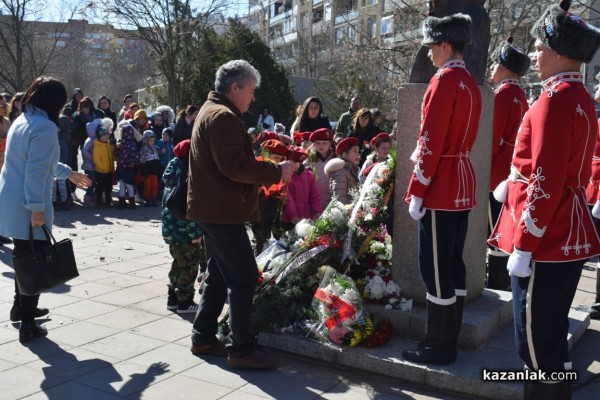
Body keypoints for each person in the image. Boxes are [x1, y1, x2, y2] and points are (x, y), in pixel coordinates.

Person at [489, 4, 600, 398]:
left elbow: (547, 180)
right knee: (551, 335)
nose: (533, 55)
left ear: (558, 50)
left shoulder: (555, 99)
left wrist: (525, 244)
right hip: (567, 225)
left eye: (539, 47)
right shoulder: (578, 94)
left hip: (547, 236)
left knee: (534, 341)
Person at [188, 59, 292, 368]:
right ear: (235, 88)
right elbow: (233, 166)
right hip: (221, 211)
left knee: (220, 274)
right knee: (245, 277)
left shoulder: (216, 112)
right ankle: (242, 349)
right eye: (251, 90)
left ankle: (203, 337)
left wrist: (259, 145)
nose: (254, 97)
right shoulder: (221, 116)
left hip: (216, 208)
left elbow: (229, 155)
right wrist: (277, 171)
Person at [402, 12, 482, 366]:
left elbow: (430, 139)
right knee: (453, 264)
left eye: (433, 47)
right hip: (461, 178)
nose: (429, 54)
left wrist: (418, 188)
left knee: (435, 268)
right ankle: (449, 337)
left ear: (446, 44)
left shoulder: (444, 80)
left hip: (441, 184)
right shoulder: (469, 81)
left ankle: (437, 346)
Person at [0, 76, 91, 342]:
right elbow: (37, 172)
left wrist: (68, 173)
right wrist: (37, 209)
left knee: (24, 256)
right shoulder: (45, 128)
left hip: (13, 198)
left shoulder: (23, 120)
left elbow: (43, 165)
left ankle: (21, 307)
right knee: (35, 260)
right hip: (27, 202)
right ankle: (28, 322)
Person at [486, 37, 530, 291]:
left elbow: (492, 139)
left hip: (496, 172)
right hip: (510, 171)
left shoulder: (502, 94)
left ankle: (497, 284)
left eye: (495, 63)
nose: (492, 68)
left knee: (495, 230)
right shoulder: (519, 94)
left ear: (505, 67)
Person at [162, 139, 203, 314]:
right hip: (187, 233)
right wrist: (196, 233)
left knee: (178, 263)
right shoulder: (190, 177)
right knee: (190, 265)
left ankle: (173, 298)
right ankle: (185, 302)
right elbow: (192, 211)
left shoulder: (172, 177)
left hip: (172, 232)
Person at [250, 139, 288, 255]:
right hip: (258, 211)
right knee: (260, 241)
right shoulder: (258, 167)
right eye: (276, 158)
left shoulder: (279, 169)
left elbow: (282, 186)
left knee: (276, 238)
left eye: (280, 159)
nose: (278, 161)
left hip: (273, 209)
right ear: (267, 155)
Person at [281, 145, 322, 230]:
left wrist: (317, 211)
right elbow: (288, 198)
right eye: (289, 161)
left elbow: (315, 195)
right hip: (290, 219)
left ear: (300, 163)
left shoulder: (309, 175)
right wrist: (293, 215)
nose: (291, 165)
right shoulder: (286, 176)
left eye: (295, 163)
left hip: (307, 216)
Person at [324, 137, 361, 205]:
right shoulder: (340, 173)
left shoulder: (353, 170)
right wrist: (348, 211)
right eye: (355, 151)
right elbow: (339, 199)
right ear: (345, 154)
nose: (358, 155)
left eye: (358, 152)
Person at [307, 128, 335, 210]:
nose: (321, 146)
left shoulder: (336, 160)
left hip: (330, 202)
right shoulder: (309, 160)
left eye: (324, 143)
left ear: (330, 144)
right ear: (314, 144)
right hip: (311, 202)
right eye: (318, 143)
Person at [114, 120, 139, 209]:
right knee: (125, 185)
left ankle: (129, 202)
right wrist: (117, 147)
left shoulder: (128, 143)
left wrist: (130, 163)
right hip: (125, 167)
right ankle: (125, 201)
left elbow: (134, 156)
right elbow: (135, 156)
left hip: (125, 167)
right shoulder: (126, 143)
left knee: (126, 185)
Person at [92, 120, 116, 208]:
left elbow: (110, 155)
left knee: (108, 188)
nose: (106, 136)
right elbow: (96, 159)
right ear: (99, 137)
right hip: (101, 171)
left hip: (109, 170)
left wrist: (114, 158)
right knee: (100, 188)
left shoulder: (107, 145)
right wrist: (101, 167)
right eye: (104, 135)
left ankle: (108, 201)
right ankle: (99, 202)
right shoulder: (97, 146)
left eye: (107, 134)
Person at [139, 130, 161, 207]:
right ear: (146, 140)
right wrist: (144, 172)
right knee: (147, 186)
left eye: (153, 141)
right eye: (150, 141)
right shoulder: (143, 149)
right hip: (147, 172)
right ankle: (147, 199)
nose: (152, 142)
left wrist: (158, 169)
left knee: (154, 186)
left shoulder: (155, 148)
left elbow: (157, 159)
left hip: (154, 171)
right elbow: (142, 162)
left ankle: (154, 198)